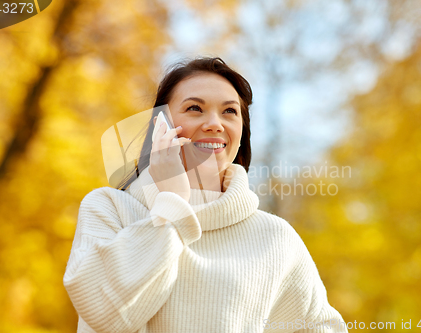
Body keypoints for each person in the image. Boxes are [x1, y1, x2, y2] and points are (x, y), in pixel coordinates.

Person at [63, 57, 349, 333]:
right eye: (195, 108)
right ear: (160, 125)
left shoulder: (275, 237)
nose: (215, 123)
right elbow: (105, 315)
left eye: (229, 111)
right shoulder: (108, 209)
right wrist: (173, 204)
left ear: (241, 132)